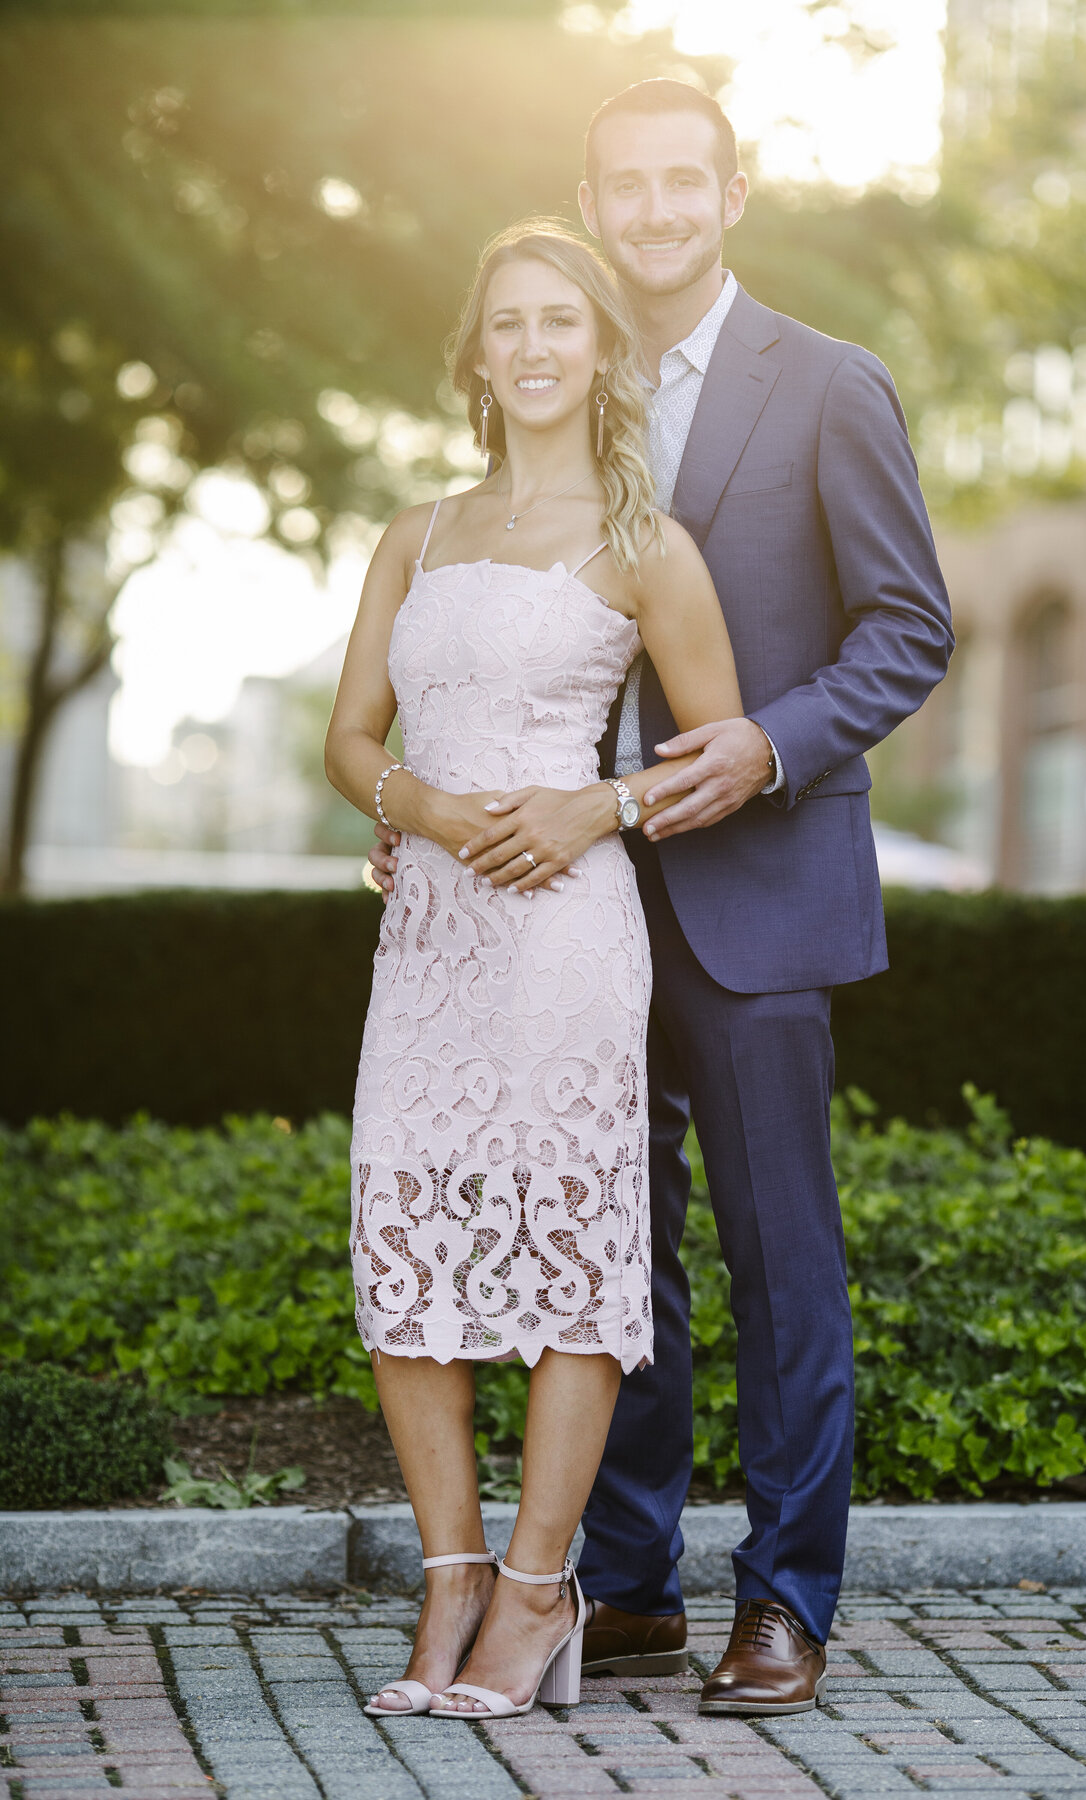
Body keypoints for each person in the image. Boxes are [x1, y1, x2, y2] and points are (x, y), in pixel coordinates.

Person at [371, 81, 954, 1717]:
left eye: (680, 183)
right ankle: (623, 1586)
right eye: (622, 185)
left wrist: (768, 743)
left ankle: (785, 1598)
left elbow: (908, 630)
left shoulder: (832, 386)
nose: (652, 209)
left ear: (733, 193)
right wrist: (430, 805)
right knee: (613, 1259)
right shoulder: (572, 384)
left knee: (781, 1259)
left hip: (757, 886)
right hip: (562, 915)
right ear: (592, 195)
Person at [325, 220, 742, 1719]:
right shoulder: (415, 535)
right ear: (478, 358)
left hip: (569, 933)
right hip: (429, 931)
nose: (537, 346)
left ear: (600, 351)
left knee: (572, 1243)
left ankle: (539, 1586)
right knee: (406, 1226)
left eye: (562, 320)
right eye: (508, 324)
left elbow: (718, 756)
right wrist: (420, 811)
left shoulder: (650, 547)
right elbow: (350, 737)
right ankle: (448, 1577)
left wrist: (598, 804)